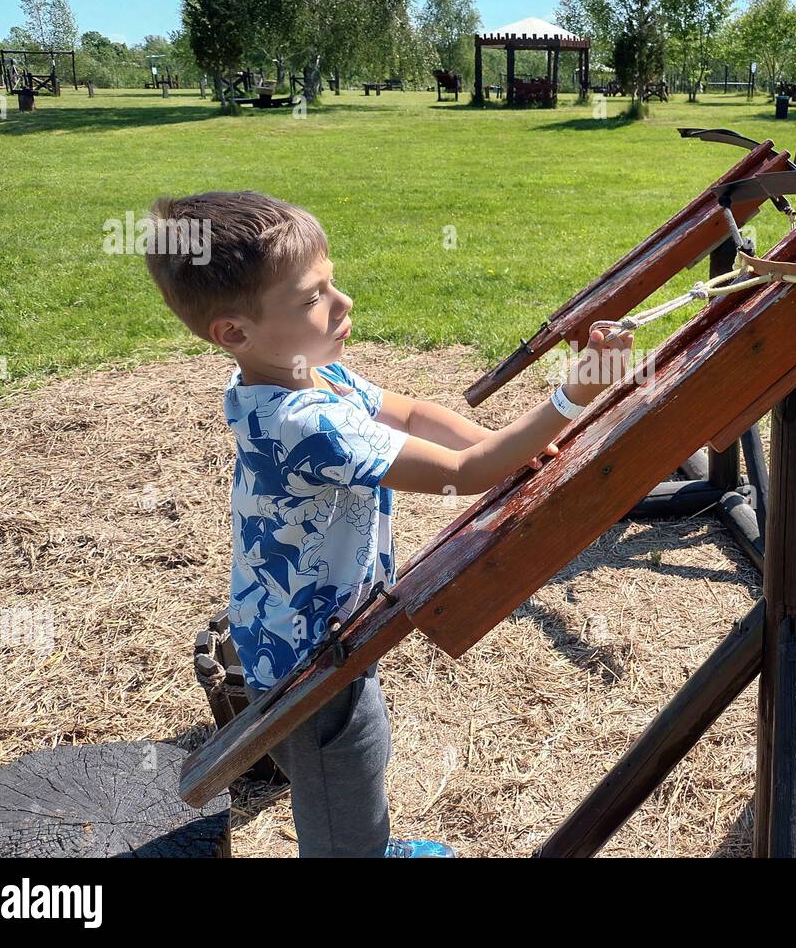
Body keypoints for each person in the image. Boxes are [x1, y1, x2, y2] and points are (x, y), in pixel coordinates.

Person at [144, 191, 632, 857]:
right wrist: (570, 397)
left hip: (295, 630)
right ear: (234, 331)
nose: (343, 302)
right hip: (308, 667)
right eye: (313, 296)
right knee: (347, 759)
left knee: (348, 764)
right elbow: (465, 469)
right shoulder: (306, 426)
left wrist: (505, 438)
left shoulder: (298, 377)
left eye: (331, 280)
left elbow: (404, 412)